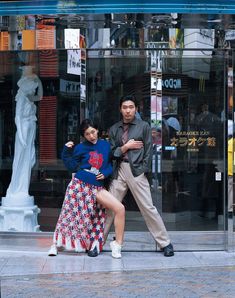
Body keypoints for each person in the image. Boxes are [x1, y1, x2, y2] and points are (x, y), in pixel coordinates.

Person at [104, 95, 174, 257]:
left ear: (136, 109)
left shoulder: (144, 126)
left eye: (131, 107)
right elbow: (112, 153)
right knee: (110, 209)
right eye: (124, 107)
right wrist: (126, 147)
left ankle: (165, 243)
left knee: (148, 208)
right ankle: (97, 243)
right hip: (119, 170)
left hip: (136, 171)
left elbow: (149, 151)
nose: (128, 110)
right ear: (120, 109)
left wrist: (142, 169)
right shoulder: (114, 128)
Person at [48, 119, 125, 258]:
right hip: (79, 185)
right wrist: (66, 151)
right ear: (83, 135)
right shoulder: (80, 148)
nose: (91, 136)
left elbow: (108, 165)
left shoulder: (105, 145)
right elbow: (72, 166)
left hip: (97, 187)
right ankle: (55, 244)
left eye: (93, 132)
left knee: (118, 209)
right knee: (69, 217)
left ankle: (116, 244)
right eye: (87, 134)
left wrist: (106, 173)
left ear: (97, 131)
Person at [5, 65, 43, 202]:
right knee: (21, 158)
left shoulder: (30, 98)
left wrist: (38, 80)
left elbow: (40, 96)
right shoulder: (22, 97)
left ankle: (23, 188)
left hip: (30, 127)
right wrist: (21, 135)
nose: (34, 89)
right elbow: (18, 117)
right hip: (24, 129)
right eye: (32, 87)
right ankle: (16, 188)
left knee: (29, 158)